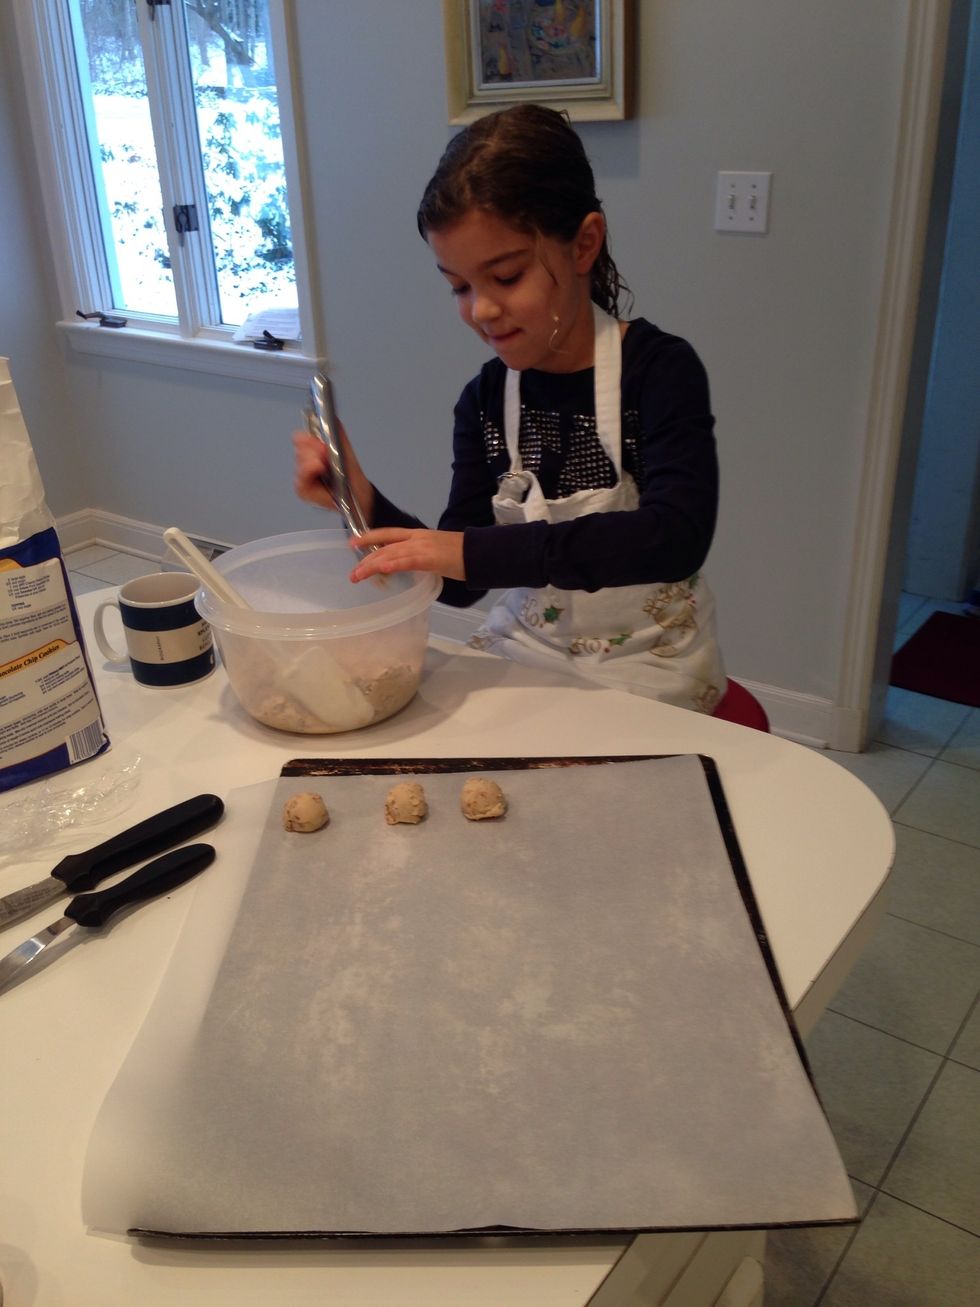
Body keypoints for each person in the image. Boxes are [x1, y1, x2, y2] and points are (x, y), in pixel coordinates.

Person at [294, 103, 725, 713]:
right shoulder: (487, 401)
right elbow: (465, 583)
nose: (481, 311)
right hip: (526, 653)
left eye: (507, 275)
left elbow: (674, 538)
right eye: (460, 287)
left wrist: (470, 551)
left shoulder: (660, 371)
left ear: (583, 244)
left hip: (654, 671)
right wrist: (358, 494)